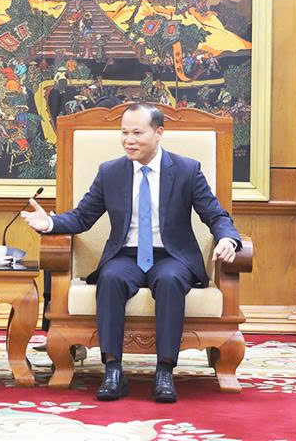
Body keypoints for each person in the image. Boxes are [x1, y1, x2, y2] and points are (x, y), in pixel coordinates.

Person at [21, 102, 240, 403]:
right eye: (124, 133)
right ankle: (113, 370)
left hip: (171, 256)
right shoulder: (111, 172)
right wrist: (49, 223)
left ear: (159, 133)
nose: (129, 140)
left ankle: (165, 371)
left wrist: (228, 239)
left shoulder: (187, 170)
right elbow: (83, 216)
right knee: (110, 278)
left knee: (170, 281)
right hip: (127, 255)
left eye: (137, 133)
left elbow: (215, 215)